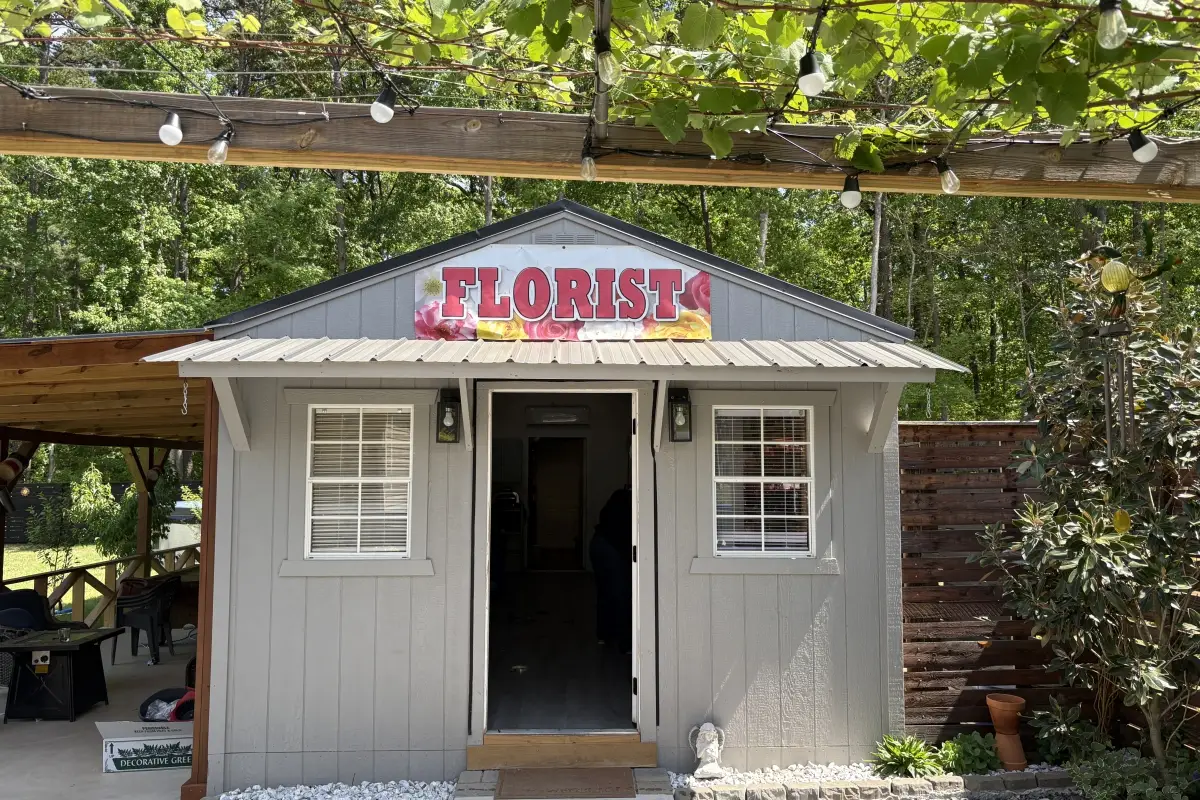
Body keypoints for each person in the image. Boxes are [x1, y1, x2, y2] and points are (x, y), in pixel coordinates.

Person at [589, 486, 632, 652]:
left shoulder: (617, 499)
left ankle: (605, 635)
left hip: (598, 544)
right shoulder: (630, 502)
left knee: (605, 591)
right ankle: (625, 643)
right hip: (611, 548)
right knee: (622, 595)